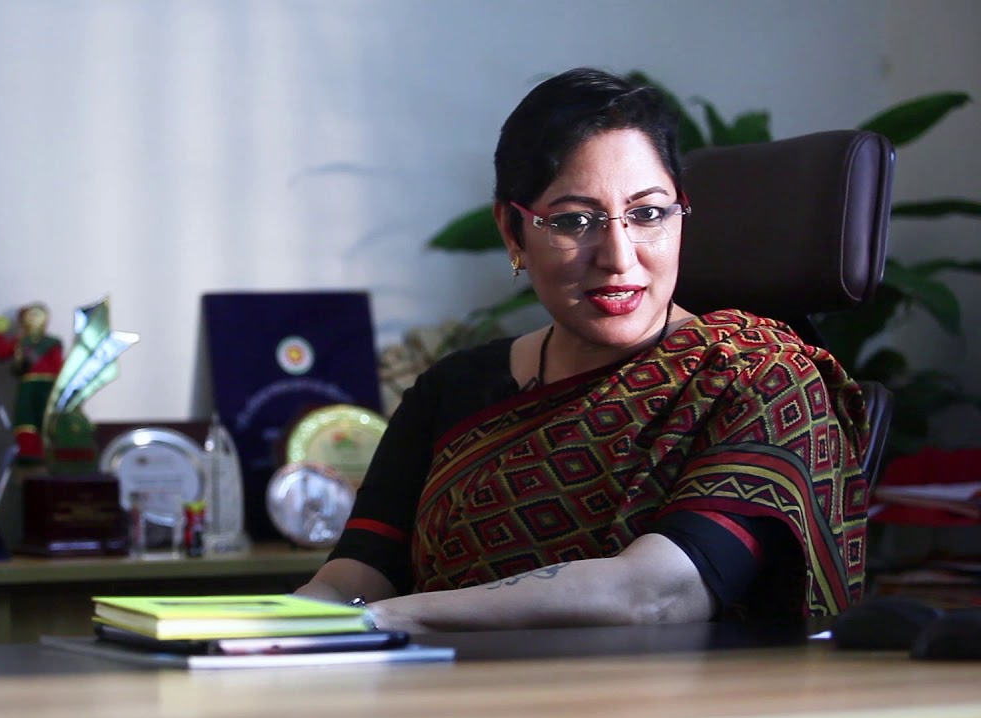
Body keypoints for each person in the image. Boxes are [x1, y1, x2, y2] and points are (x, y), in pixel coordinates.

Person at [295, 67, 869, 632]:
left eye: (647, 214)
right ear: (513, 231)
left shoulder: (759, 378)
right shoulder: (453, 387)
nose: (618, 256)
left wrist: (389, 618)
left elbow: (657, 594)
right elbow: (353, 577)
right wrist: (272, 629)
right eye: (575, 220)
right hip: (444, 681)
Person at [0, 303, 64, 464]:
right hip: (31, 386)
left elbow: (58, 367)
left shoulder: (51, 342)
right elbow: (2, 354)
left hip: (45, 386)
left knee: (46, 420)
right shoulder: (22, 341)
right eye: (30, 315)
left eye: (37, 315)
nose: (33, 319)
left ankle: (47, 455)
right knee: (27, 420)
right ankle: (30, 456)